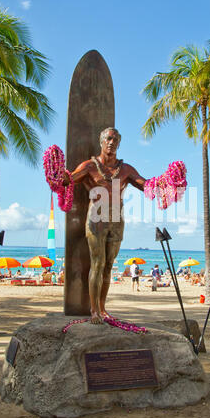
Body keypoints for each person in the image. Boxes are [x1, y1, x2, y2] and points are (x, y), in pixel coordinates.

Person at [63, 128, 146, 323]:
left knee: (109, 265)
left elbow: (145, 184)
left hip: (117, 218)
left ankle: (102, 307)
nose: (112, 142)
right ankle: (94, 311)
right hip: (96, 217)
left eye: (116, 139)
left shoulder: (126, 169)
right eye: (109, 138)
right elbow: (69, 180)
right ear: (101, 142)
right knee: (98, 263)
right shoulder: (90, 166)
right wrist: (56, 172)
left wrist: (165, 184)